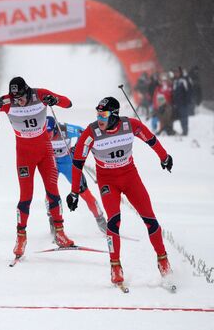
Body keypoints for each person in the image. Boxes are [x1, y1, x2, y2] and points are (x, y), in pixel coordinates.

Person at [66, 97, 174, 287]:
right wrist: (74, 192)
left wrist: (164, 157)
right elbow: (77, 162)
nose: (100, 118)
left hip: (130, 177)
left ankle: (163, 260)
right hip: (108, 182)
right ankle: (115, 266)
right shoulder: (92, 132)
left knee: (150, 218)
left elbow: (151, 139)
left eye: (104, 115)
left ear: (114, 115)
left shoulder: (130, 125)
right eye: (98, 114)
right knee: (114, 221)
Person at [0, 76, 75, 259]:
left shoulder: (40, 94)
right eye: (15, 98)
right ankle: (21, 237)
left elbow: (68, 103)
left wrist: (54, 100)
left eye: (21, 97)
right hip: (24, 155)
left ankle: (60, 233)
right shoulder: (7, 101)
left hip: (45, 151)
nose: (19, 101)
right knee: (26, 196)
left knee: (53, 191)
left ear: (27, 91)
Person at [45, 116, 107, 233]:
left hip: (67, 162)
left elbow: (83, 133)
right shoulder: (41, 131)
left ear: (55, 129)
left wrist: (77, 148)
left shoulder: (64, 129)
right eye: (45, 133)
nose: (47, 136)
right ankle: (53, 221)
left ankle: (100, 219)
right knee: (50, 193)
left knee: (83, 192)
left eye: (49, 133)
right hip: (51, 162)